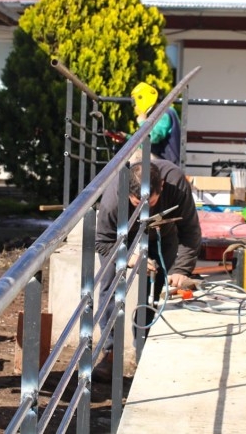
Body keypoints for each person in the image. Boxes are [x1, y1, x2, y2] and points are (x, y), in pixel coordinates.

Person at [93, 159, 201, 380]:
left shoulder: (176, 182)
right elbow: (103, 241)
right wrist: (127, 257)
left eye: (151, 203)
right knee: (109, 288)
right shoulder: (113, 198)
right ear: (128, 193)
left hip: (163, 234)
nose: (144, 209)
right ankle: (110, 352)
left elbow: (190, 230)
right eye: (137, 203)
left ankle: (145, 348)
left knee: (156, 289)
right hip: (120, 240)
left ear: (161, 185)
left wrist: (181, 269)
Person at [130, 82, 182, 166]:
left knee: (135, 156)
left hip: (168, 162)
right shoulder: (156, 114)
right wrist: (125, 138)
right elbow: (144, 143)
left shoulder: (165, 113)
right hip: (159, 159)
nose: (135, 106)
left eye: (134, 102)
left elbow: (153, 137)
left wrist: (143, 122)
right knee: (131, 154)